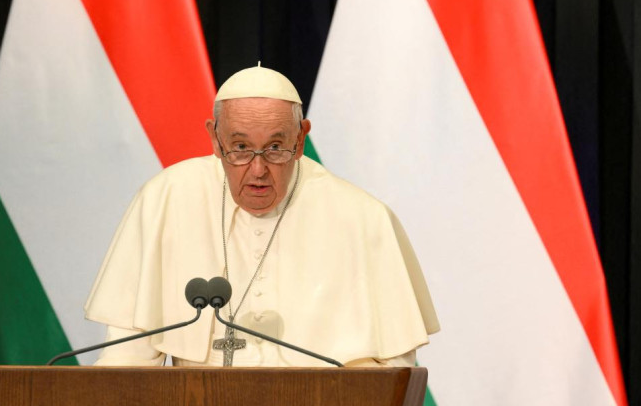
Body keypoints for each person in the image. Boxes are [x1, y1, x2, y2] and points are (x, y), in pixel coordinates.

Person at [84, 64, 440, 367]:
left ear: (300, 140)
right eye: (239, 148)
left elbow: (393, 371)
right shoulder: (164, 199)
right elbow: (125, 360)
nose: (257, 170)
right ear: (214, 138)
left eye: (274, 148)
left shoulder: (363, 218)